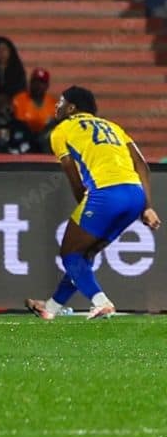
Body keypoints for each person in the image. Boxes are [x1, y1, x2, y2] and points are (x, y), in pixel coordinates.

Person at [26, 87, 160, 320]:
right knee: (85, 254)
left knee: (70, 253)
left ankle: (101, 302)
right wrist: (147, 206)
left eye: (61, 102)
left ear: (72, 108)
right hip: (135, 195)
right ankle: (51, 308)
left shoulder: (61, 130)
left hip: (106, 194)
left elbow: (72, 175)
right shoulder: (113, 127)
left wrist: (87, 206)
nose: (56, 106)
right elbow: (142, 166)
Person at [12, 67, 55, 135]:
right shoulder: (19, 100)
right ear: (30, 83)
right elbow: (21, 124)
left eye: (42, 82)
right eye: (35, 81)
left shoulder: (53, 103)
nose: (38, 85)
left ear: (47, 85)